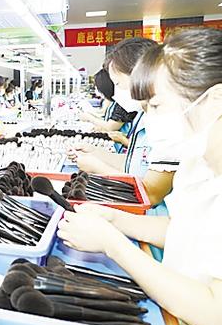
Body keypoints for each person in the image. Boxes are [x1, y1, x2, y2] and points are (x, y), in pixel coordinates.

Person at [58, 28, 222, 325]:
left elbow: (217, 317)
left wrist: (113, 245)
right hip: (175, 322)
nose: (151, 120)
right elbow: (184, 230)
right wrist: (116, 219)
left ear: (215, 100)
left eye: (156, 106)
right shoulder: (196, 162)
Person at [69, 37, 177, 206]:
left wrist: (97, 167)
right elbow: (133, 164)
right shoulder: (143, 117)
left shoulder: (169, 123)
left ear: (141, 75)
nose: (116, 93)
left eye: (118, 84)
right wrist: (95, 153)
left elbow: (151, 194)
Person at [78, 69, 135, 151]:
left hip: (122, 147)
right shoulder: (115, 101)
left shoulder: (125, 103)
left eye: (117, 83)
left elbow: (111, 127)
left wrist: (90, 118)